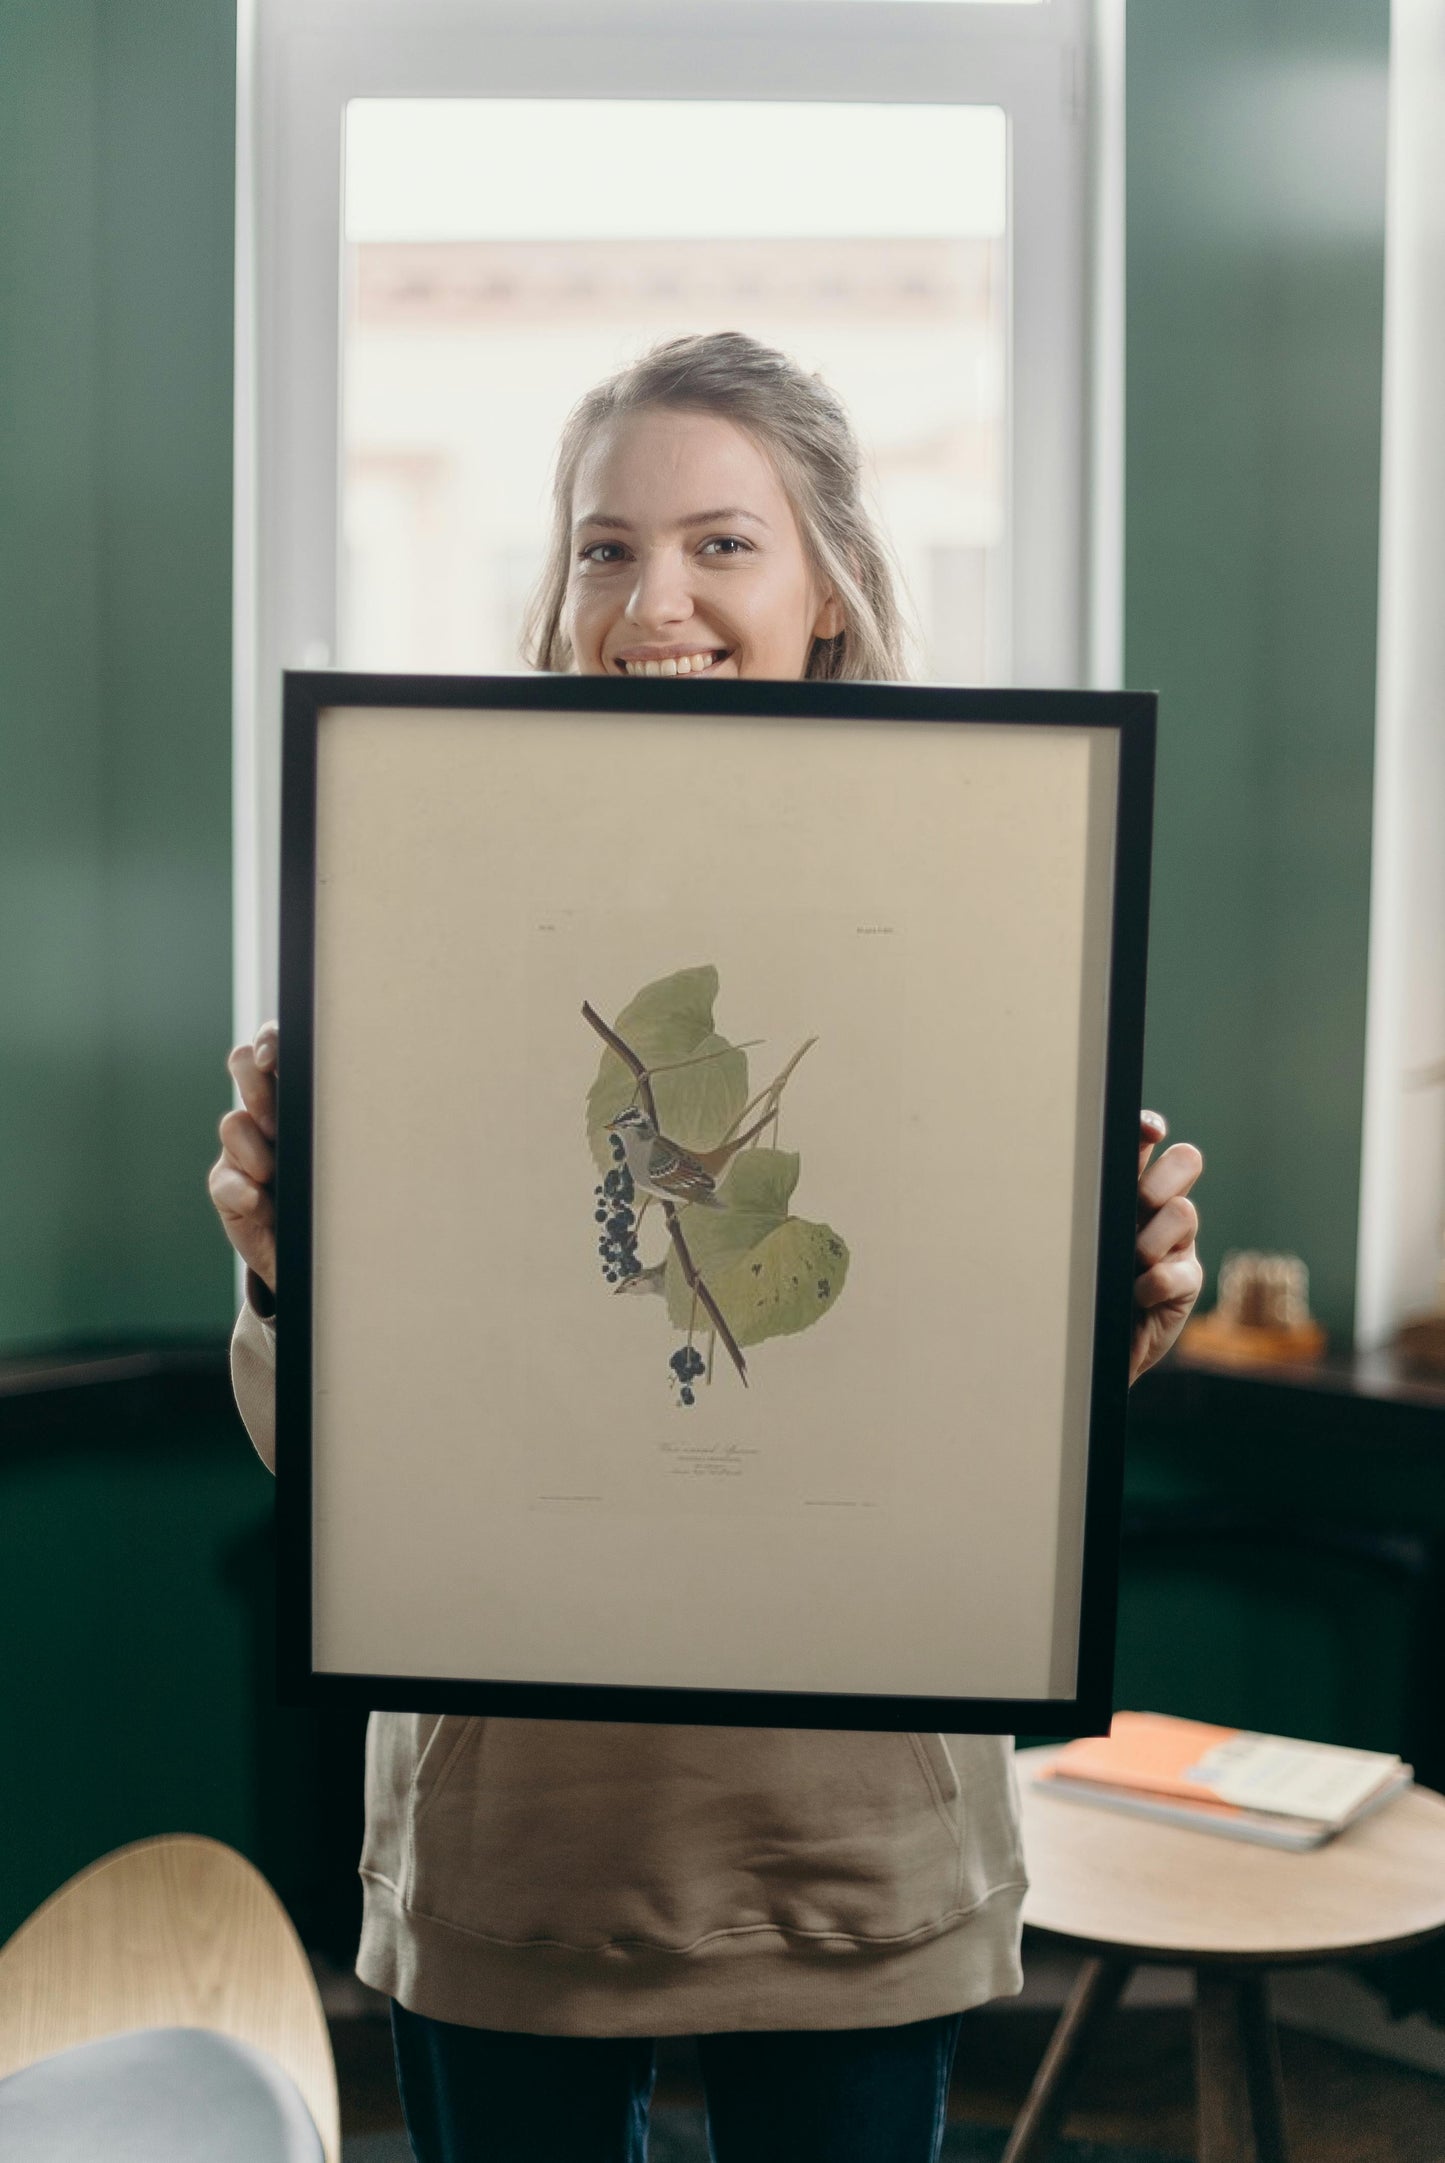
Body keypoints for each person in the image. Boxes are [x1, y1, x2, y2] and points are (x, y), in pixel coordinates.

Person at [209, 332, 1205, 2163]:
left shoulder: (983, 912)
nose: (649, 597)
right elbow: (336, 1460)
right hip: (519, 1829)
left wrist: (1112, 1307)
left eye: (719, 543)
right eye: (603, 546)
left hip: (850, 1833)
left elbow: (973, 1408)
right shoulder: (420, 914)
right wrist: (285, 1275)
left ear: (826, 586)